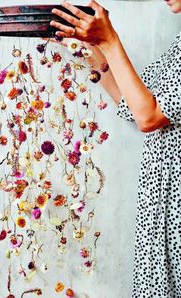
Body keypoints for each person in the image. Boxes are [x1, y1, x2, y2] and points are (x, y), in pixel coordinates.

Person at [50, 0, 181, 297]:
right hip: (161, 197)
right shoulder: (179, 46)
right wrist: (89, 45)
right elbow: (133, 105)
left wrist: (109, 40)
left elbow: (150, 117)